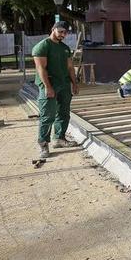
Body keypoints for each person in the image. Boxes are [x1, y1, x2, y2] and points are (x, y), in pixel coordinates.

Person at [32, 21, 79, 159]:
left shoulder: (65, 48)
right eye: (60, 32)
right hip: (49, 84)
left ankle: (59, 138)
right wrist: (48, 87)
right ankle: (43, 144)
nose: (63, 35)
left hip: (64, 84)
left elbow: (70, 67)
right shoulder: (42, 46)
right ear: (53, 29)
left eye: (65, 32)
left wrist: (74, 83)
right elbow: (41, 69)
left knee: (64, 113)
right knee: (48, 115)